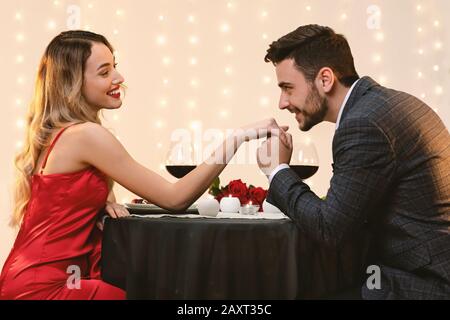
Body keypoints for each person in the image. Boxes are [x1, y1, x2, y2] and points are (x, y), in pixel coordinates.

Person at [0, 30, 288, 300]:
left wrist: (101, 202)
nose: (119, 77)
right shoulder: (86, 136)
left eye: (114, 66)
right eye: (104, 72)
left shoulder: (62, 134)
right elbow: (174, 199)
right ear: (73, 83)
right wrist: (235, 140)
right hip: (48, 287)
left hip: (29, 278)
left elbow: (62, 201)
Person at [257, 24, 450, 299]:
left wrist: (277, 171)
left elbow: (329, 229)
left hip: (423, 285)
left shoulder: (363, 124)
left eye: (288, 88)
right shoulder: (388, 104)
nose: (282, 103)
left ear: (325, 79)